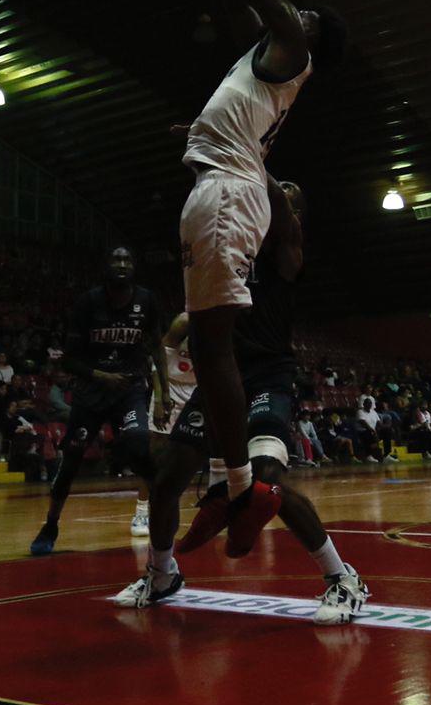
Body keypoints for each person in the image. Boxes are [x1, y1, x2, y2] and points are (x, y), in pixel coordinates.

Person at [174, 0, 350, 557]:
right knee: (209, 345)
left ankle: (240, 488)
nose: (293, 10)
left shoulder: (296, 49)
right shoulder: (266, 56)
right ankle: (235, 484)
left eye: (302, 12)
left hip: (228, 192)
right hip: (224, 186)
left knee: (212, 347)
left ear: (308, 34)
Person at [129, 179, 370, 624]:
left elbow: (276, 202)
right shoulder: (232, 241)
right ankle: (162, 574)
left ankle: (343, 578)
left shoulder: (287, 251)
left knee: (267, 480)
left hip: (266, 376)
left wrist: (246, 152)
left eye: (289, 198)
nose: (278, 197)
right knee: (167, 479)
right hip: (222, 377)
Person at [29, 247, 162, 555]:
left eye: (128, 259)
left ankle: (157, 517)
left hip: (129, 391)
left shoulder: (147, 300)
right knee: (70, 463)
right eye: (116, 259)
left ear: (134, 267)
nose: (122, 264)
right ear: (105, 266)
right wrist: (101, 375)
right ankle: (51, 524)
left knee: (140, 444)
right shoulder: (87, 303)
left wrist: (163, 393)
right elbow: (69, 361)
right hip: (91, 394)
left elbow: (156, 347)